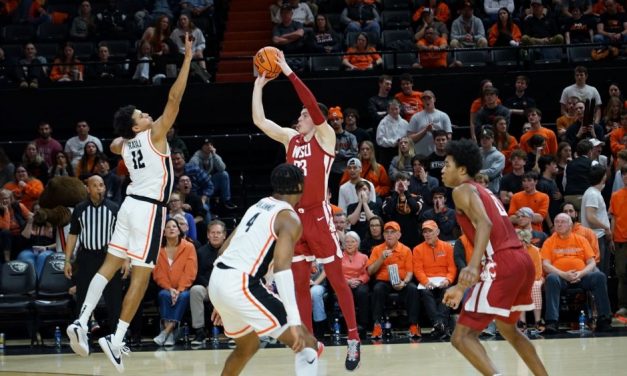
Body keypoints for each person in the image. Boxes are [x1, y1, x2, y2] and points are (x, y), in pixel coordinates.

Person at [65, 33, 193, 373]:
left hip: (127, 205)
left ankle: (82, 320)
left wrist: (126, 131)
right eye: (142, 113)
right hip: (150, 208)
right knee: (140, 277)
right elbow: (175, 97)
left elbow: (115, 144)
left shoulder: (126, 144)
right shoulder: (154, 135)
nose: (148, 113)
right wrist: (188, 60)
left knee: (109, 266)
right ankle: (116, 339)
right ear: (139, 124)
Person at [252, 50, 361, 370]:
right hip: (292, 221)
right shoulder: (290, 139)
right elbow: (259, 121)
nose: (298, 119)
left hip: (317, 216)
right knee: (298, 283)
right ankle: (309, 344)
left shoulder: (325, 137)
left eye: (301, 116)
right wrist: (259, 85)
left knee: (338, 280)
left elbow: (313, 107)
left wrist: (286, 69)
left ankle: (354, 338)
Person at [441, 139, 548, 376]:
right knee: (508, 329)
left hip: (502, 263)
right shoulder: (485, 191)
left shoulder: (462, 190)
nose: (442, 169)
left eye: (447, 164)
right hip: (521, 261)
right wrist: (462, 285)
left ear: (462, 170)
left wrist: (468, 270)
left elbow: (485, 224)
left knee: (462, 337)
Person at [208, 163, 320, 376]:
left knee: (247, 346)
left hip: (219, 279)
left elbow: (223, 249)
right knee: (306, 342)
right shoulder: (289, 218)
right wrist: (294, 321)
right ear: (299, 185)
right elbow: (282, 269)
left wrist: (222, 299)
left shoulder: (258, 205)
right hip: (240, 285)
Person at [63, 175, 123, 336]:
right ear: (87, 189)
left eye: (101, 185)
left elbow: (123, 235)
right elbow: (73, 235)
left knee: (114, 299)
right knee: (83, 298)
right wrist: (67, 260)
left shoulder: (114, 208)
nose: (99, 188)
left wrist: (125, 260)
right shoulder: (80, 209)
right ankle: (82, 336)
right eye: (95, 185)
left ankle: (116, 337)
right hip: (87, 257)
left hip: (109, 257)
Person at [540, 213, 614, 333]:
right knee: (551, 278)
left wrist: (580, 274)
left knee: (599, 276)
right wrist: (564, 274)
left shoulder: (581, 240)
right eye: (557, 222)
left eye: (562, 221)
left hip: (582, 277)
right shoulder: (549, 241)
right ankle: (552, 322)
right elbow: (546, 265)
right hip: (561, 278)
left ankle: (604, 319)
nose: (559, 224)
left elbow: (592, 263)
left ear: (570, 225)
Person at [367, 221, 420, 339]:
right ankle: (377, 325)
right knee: (377, 289)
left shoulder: (406, 250)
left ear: (399, 235)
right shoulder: (377, 249)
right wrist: (381, 258)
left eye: (393, 232)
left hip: (402, 281)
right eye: (387, 232)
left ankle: (413, 325)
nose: (389, 235)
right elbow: (370, 271)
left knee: (412, 289)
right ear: (383, 235)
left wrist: (404, 282)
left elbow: (410, 272)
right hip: (383, 282)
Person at [152, 218, 197, 346]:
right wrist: (169, 288)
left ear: (179, 230)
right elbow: (157, 273)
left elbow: (190, 272)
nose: (171, 228)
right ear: (164, 232)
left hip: (183, 289)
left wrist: (179, 289)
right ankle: (170, 334)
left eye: (174, 226)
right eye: (168, 227)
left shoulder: (189, 247)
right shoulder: (158, 249)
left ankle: (166, 332)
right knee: (163, 295)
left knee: (184, 296)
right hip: (166, 288)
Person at [413, 220, 456, 339]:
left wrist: (448, 280)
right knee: (426, 292)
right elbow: (418, 269)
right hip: (427, 281)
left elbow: (452, 267)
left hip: (444, 280)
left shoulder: (447, 247)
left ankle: (438, 324)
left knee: (447, 291)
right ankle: (440, 323)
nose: (427, 234)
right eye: (425, 232)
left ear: (437, 232)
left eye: (430, 231)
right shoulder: (417, 249)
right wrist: (426, 282)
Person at [190, 220, 225, 344]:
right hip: (207, 288)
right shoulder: (200, 252)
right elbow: (196, 274)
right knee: (195, 291)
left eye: (218, 233)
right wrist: (208, 285)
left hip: (226, 288)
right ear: (208, 235)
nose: (215, 235)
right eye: (213, 232)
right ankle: (199, 332)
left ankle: (234, 332)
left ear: (224, 235)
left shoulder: (231, 251)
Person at [581, 164, 613, 274]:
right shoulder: (593, 194)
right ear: (603, 177)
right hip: (596, 237)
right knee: (599, 271)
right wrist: (606, 228)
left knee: (602, 270)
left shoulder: (594, 192)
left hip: (598, 236)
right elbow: (591, 217)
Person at [408, 90, 453, 159]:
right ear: (422, 101)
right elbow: (410, 139)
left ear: (434, 99)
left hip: (440, 156)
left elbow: (449, 137)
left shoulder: (443, 116)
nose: (427, 101)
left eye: (429, 98)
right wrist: (425, 130)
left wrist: (434, 132)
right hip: (421, 156)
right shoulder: (415, 117)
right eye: (424, 99)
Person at [341, 231, 370, 334]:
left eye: (352, 242)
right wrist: (347, 282)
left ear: (357, 243)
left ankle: (363, 324)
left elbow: (367, 274)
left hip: (359, 283)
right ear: (343, 244)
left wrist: (359, 280)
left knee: (362, 292)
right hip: (343, 283)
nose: (349, 244)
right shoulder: (338, 257)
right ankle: (348, 325)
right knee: (345, 293)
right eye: (347, 242)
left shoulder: (364, 257)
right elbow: (335, 274)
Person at [609, 165, 627, 318]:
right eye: (624, 175)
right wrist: (612, 237)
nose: (626, 177)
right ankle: (622, 306)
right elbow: (613, 217)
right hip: (620, 239)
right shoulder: (615, 195)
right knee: (621, 274)